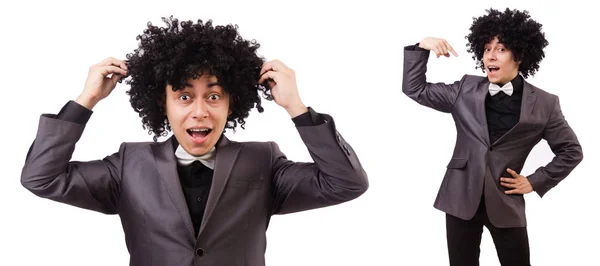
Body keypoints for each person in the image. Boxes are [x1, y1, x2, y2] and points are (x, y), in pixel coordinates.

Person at [21, 17, 368, 266]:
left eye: (214, 96)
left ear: (232, 102)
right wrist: (86, 100)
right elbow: (42, 178)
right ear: (163, 104)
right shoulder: (129, 164)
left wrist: (297, 107)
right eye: (185, 97)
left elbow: (345, 183)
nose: (200, 111)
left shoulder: (263, 161)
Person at [401, 8, 583, 266]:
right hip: (460, 198)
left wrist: (534, 181)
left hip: (506, 202)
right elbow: (415, 88)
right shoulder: (464, 89)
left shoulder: (545, 104)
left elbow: (571, 151)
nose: (490, 56)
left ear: (519, 54)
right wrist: (422, 46)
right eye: (487, 49)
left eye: (500, 49)